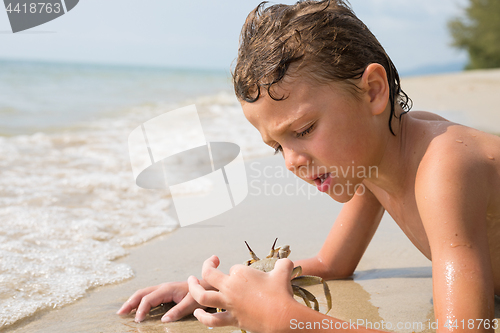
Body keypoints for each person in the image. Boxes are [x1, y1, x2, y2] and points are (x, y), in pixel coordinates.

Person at [117, 1, 500, 332]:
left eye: (304, 129)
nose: (291, 161)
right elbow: (332, 263)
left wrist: (289, 321)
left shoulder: (443, 167)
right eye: (276, 147)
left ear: (373, 91)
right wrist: (226, 290)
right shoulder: (376, 160)